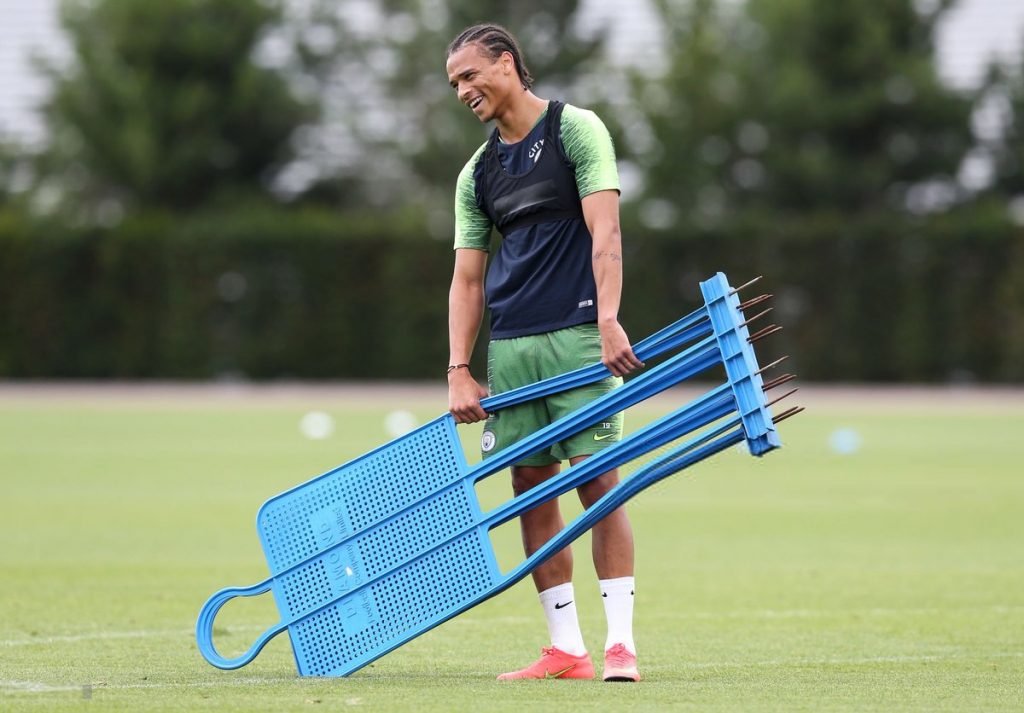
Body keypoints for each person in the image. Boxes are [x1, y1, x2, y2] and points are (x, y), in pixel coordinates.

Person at [444, 23, 644, 682]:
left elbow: (605, 229)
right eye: (455, 84)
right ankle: (566, 648)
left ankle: (620, 644)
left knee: (598, 480)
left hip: (581, 334)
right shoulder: (476, 174)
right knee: (529, 490)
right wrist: (459, 369)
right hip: (512, 347)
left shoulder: (575, 130)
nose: (463, 91)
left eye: (471, 75)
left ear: (507, 63)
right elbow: (467, 279)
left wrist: (610, 319)